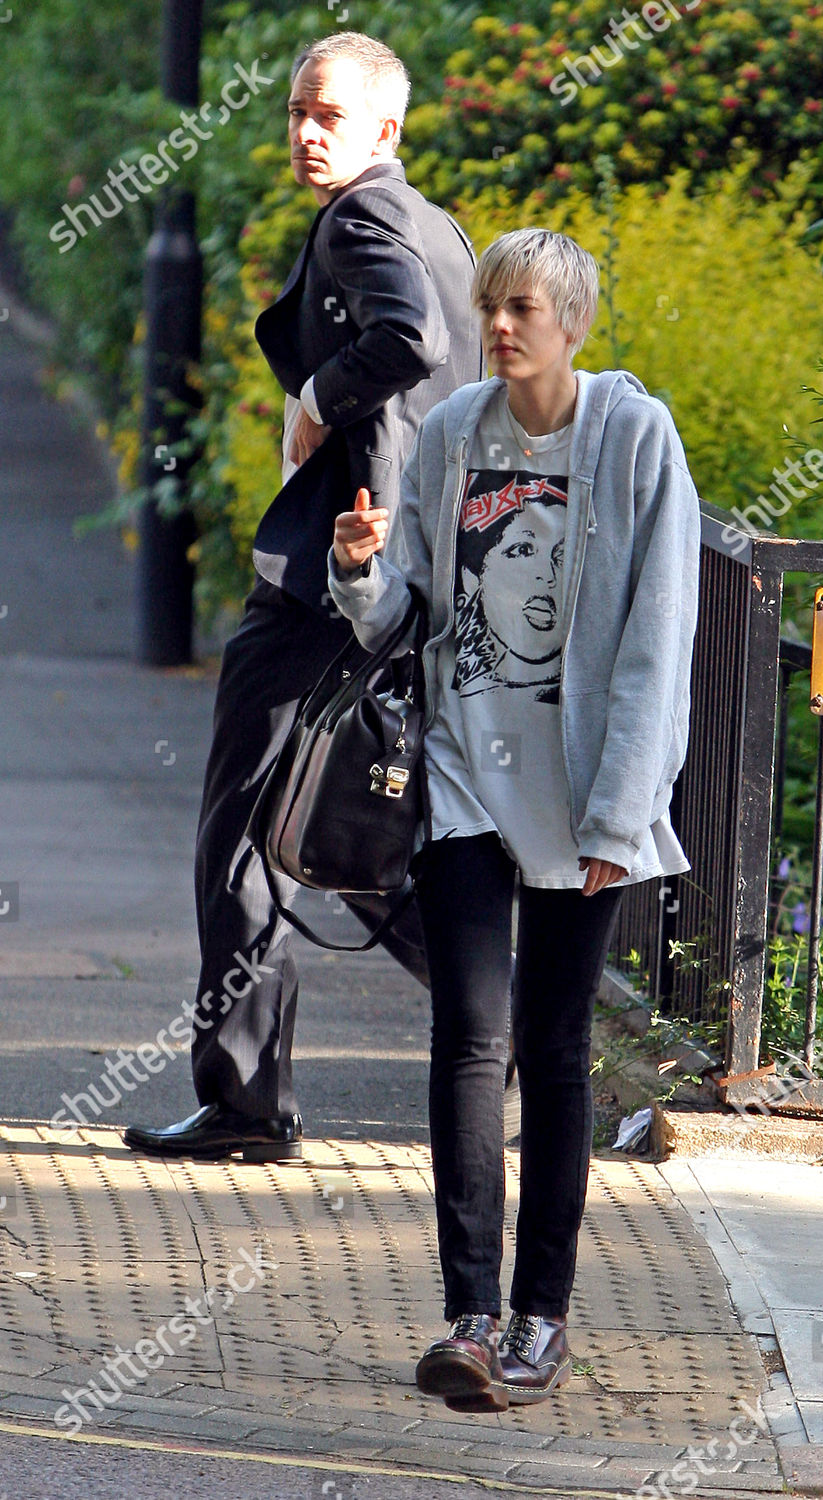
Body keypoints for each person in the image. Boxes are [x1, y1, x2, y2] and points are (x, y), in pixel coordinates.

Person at [328, 229, 700, 1410]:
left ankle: (544, 1318)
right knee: (468, 1044)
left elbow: (655, 640)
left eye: (521, 306)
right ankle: (472, 1316)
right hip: (462, 789)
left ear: (572, 321)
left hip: (583, 799)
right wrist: (356, 573)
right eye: (489, 305)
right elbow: (410, 615)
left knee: (553, 1055)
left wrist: (617, 815)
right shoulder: (450, 435)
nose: (497, 325)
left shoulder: (634, 439)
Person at [123, 32, 482, 1164]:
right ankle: (507, 1018)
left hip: (337, 578)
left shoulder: (364, 220)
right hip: (401, 570)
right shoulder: (444, 230)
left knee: (245, 825)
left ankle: (244, 1104)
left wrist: (317, 399)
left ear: (386, 131)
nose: (305, 131)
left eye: (329, 114)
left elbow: (408, 340)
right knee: (357, 826)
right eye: (295, 112)